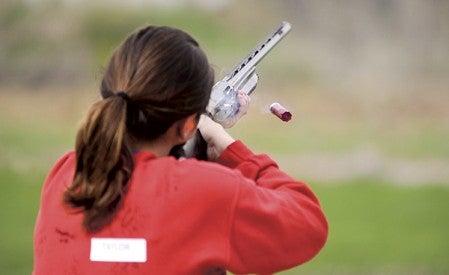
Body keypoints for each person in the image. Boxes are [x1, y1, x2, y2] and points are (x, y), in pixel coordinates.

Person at [33, 25, 328, 275]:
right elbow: (308, 223)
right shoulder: (202, 190)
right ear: (188, 124)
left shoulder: (66, 173)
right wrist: (227, 147)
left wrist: (195, 149)